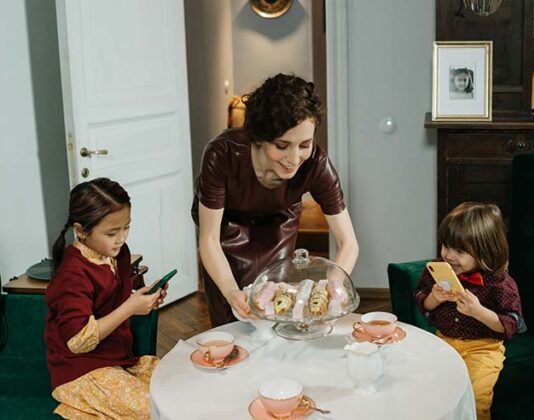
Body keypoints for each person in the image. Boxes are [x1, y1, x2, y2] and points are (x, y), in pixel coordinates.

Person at [193, 73, 359, 327]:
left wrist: (334, 282)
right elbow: (209, 240)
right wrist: (230, 292)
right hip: (225, 225)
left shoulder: (316, 163)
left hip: (278, 220)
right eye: (282, 146)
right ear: (258, 137)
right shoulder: (222, 154)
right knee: (232, 315)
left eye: (304, 144)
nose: (294, 158)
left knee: (277, 308)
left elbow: (348, 242)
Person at [45, 178, 167, 419]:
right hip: (79, 371)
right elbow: (77, 342)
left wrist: (142, 299)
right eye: (112, 232)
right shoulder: (72, 274)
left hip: (118, 358)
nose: (121, 238)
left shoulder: (117, 254)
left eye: (126, 227)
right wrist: (130, 308)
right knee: (156, 408)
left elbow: (110, 300)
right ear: (81, 231)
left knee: (178, 386)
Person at [414, 202, 525, 420]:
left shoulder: (500, 283)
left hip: (483, 349)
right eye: (446, 245)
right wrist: (434, 298)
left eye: (460, 251)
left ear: (484, 252)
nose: (449, 255)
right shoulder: (439, 269)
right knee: (431, 391)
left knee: (475, 398)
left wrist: (478, 311)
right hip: (442, 341)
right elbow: (422, 302)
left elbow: (511, 325)